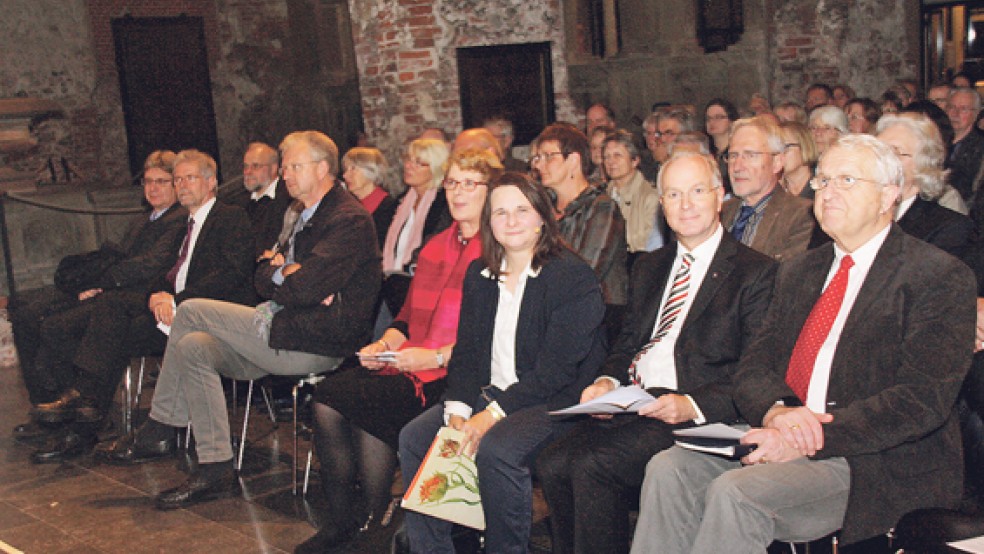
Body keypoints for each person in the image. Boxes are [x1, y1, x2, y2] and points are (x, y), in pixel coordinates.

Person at [630, 134, 976, 553]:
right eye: (822, 181)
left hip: (873, 456)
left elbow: (921, 400)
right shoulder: (800, 271)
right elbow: (754, 367)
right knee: (670, 468)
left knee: (738, 492)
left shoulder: (936, 276)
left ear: (889, 194)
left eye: (846, 181)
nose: (827, 193)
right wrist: (777, 411)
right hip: (789, 430)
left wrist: (808, 437)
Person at [102, 131, 381, 511]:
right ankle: (216, 467)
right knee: (192, 346)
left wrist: (287, 275)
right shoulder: (302, 213)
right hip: (282, 327)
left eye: (294, 167)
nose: (285, 175)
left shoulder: (347, 220)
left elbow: (299, 288)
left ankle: (161, 425)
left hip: (316, 342)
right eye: (284, 167)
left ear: (322, 168)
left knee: (192, 309)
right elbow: (263, 275)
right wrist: (285, 272)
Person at [537, 151, 777, 554]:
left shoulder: (755, 272)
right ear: (661, 205)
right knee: (552, 461)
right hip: (634, 403)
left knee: (592, 464)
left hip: (696, 413)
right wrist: (606, 381)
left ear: (720, 196)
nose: (686, 205)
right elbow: (629, 343)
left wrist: (691, 404)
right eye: (674, 194)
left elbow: (754, 368)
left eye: (697, 191)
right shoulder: (650, 266)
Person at [293, 149, 501, 553]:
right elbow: (405, 317)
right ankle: (345, 517)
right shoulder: (438, 244)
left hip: (458, 375)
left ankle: (376, 520)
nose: (458, 192)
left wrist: (437, 356)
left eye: (470, 184)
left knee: (369, 402)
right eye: (453, 183)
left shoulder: (495, 248)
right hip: (411, 360)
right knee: (328, 398)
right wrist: (386, 343)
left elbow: (493, 337)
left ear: (491, 192)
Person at [398, 172, 607, 554]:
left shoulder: (571, 278)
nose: (511, 221)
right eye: (500, 213)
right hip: (492, 395)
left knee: (497, 449)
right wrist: (458, 410)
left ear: (542, 216)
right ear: (488, 222)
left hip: (553, 400)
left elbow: (554, 372)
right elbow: (468, 355)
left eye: (521, 211)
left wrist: (489, 416)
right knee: (417, 437)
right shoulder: (480, 274)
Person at [29, 149, 254, 462]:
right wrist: (156, 294)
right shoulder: (183, 224)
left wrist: (175, 298)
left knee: (110, 319)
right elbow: (166, 271)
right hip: (169, 311)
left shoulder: (230, 217)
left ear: (211, 181)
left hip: (206, 312)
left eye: (189, 178)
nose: (182, 185)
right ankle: (83, 418)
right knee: (99, 329)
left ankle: (84, 411)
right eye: (178, 179)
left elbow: (233, 272)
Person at [10, 150, 186, 443]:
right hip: (114, 289)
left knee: (56, 326)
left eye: (161, 182)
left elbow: (150, 266)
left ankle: (84, 413)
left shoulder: (178, 221)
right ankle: (45, 404)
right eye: (147, 182)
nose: (152, 188)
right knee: (26, 313)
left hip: (136, 299)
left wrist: (102, 283)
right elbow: (119, 259)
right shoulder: (146, 220)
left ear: (176, 185)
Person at [531, 123, 627, 343]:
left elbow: (585, 272)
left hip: (597, 319)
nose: (540, 165)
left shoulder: (602, 207)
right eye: (538, 158)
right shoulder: (543, 207)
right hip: (549, 311)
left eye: (548, 157)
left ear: (573, 160)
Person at [876, 113, 976, 258]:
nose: (881, 160)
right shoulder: (850, 213)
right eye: (878, 151)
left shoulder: (947, 228)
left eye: (896, 152)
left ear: (923, 164)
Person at [721, 116, 816, 261]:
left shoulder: (802, 215)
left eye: (750, 155)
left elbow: (783, 276)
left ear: (777, 162)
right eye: (733, 155)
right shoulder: (719, 212)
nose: (737, 166)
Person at [379, 138, 452, 320]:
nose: (409, 166)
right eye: (409, 159)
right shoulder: (400, 202)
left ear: (435, 168)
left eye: (419, 163)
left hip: (419, 287)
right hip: (391, 285)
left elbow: (433, 247)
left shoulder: (443, 204)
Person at [603, 129, 661, 256]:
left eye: (617, 155)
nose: (610, 161)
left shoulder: (650, 198)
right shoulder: (601, 196)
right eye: (606, 156)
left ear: (634, 160)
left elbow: (650, 245)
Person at [242, 142, 291, 258]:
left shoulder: (289, 197)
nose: (247, 172)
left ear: (273, 168)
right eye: (245, 166)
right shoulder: (239, 203)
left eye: (255, 166)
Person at [341, 146, 397, 249]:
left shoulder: (390, 209)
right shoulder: (347, 205)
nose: (345, 175)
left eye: (353, 168)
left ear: (371, 170)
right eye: (345, 169)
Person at [946, 87, 984, 202]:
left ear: (976, 114)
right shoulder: (936, 142)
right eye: (952, 107)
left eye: (964, 109)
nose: (955, 113)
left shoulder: (980, 147)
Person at [780, 121, 820, 199]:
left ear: (805, 146)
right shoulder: (773, 193)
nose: (778, 154)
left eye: (785, 147)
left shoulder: (821, 189)